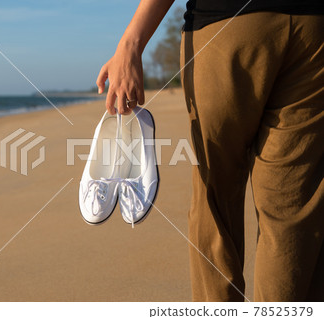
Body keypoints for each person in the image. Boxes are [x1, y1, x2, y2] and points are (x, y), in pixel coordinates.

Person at [97, 0, 324, 301]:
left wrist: (131, 43)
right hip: (313, 30)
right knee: (292, 208)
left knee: (214, 199)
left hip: (227, 24)